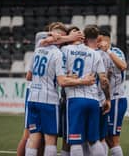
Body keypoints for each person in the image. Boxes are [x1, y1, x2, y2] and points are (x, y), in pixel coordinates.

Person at [25, 22, 95, 156]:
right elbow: (62, 82)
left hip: (32, 98)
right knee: (50, 140)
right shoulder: (57, 54)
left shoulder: (38, 48)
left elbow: (29, 76)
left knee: (33, 138)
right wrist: (82, 80)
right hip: (48, 101)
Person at [98, 29, 127, 156]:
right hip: (103, 100)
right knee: (102, 136)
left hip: (116, 99)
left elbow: (123, 66)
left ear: (106, 40)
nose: (97, 43)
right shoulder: (97, 53)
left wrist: (108, 51)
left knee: (113, 138)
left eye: (99, 40)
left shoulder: (115, 51)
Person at [83, 25, 112, 156]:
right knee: (100, 137)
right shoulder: (105, 55)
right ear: (98, 38)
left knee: (82, 138)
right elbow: (106, 79)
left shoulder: (78, 51)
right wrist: (108, 99)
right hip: (99, 100)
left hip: (82, 98)